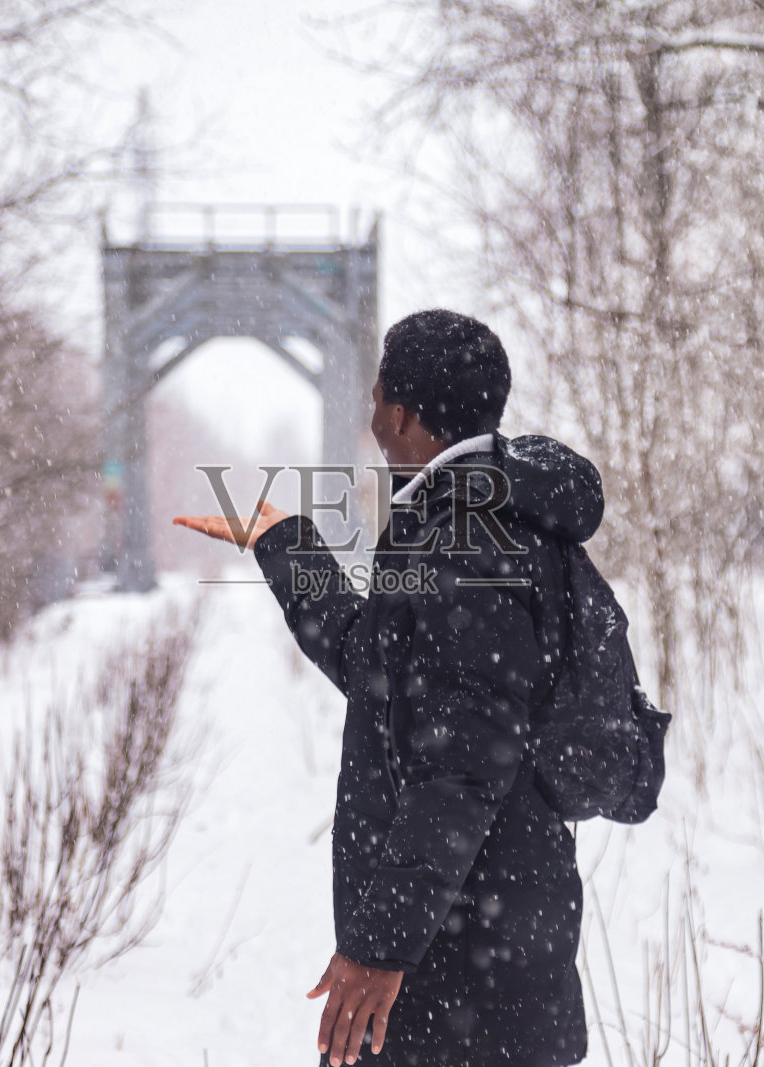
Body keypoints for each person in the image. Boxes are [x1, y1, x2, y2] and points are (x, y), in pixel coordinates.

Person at [174, 309, 604, 1066]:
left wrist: (379, 946)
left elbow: (461, 765)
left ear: (400, 413)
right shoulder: (474, 516)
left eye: (377, 393)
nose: (370, 409)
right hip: (495, 941)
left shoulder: (464, 537)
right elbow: (384, 673)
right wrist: (286, 542)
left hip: (463, 967)